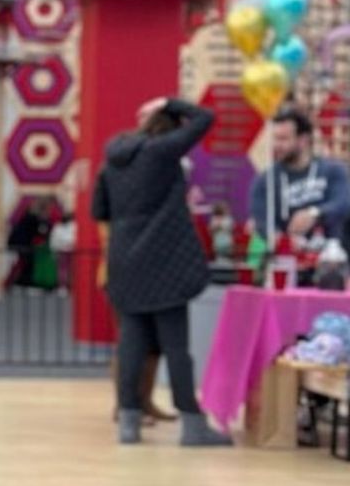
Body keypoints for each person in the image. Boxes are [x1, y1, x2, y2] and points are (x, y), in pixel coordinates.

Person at [91, 97, 232, 447]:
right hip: (165, 262)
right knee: (176, 348)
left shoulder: (112, 162)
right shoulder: (162, 152)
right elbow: (205, 118)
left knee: (131, 344)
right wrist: (169, 102)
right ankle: (193, 425)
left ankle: (129, 422)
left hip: (124, 261)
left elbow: (99, 210)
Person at [249, 107, 350, 263]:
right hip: (289, 261)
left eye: (283, 139)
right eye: (275, 138)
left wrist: (315, 213)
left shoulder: (333, 170)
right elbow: (262, 220)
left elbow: (343, 203)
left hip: (334, 258)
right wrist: (281, 240)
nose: (277, 145)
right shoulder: (265, 181)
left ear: (303, 140)